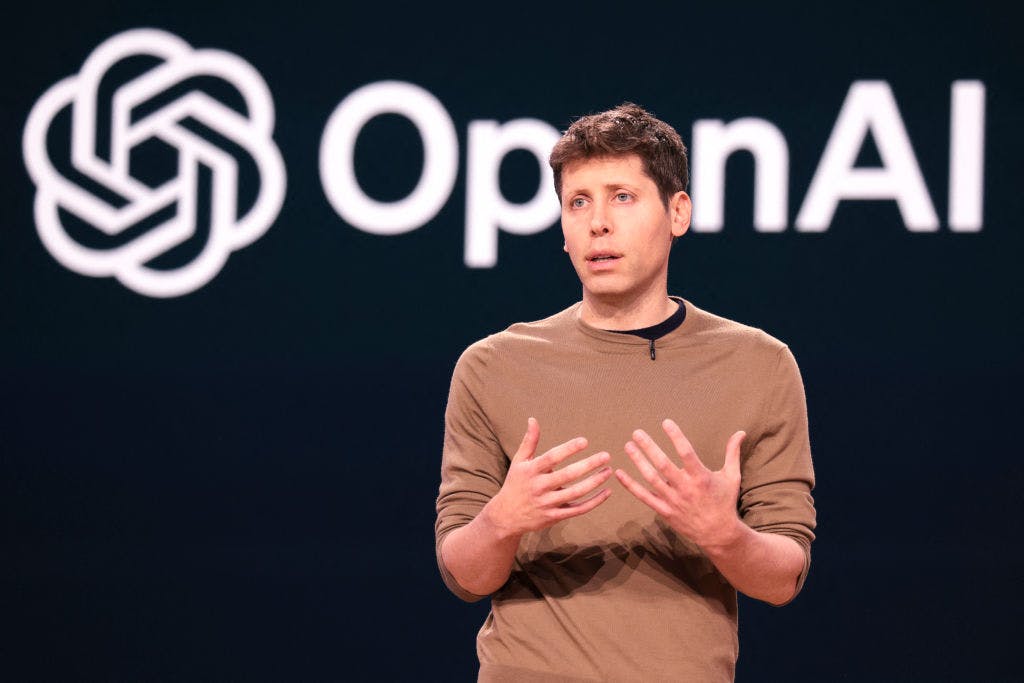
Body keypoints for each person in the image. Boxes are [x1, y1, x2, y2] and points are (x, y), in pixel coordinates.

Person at [434, 103, 816, 682]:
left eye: (622, 197)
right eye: (578, 202)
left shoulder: (759, 365)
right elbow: (464, 576)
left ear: (678, 212)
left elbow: (784, 578)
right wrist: (502, 521)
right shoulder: (494, 366)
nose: (597, 223)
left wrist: (724, 535)